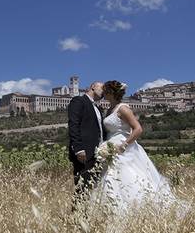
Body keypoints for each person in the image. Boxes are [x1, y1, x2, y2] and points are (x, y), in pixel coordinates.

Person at [92, 80, 186, 222]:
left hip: (123, 148)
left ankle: (135, 213)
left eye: (105, 91)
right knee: (109, 179)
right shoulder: (109, 110)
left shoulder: (123, 109)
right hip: (111, 146)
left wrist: (123, 145)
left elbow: (138, 129)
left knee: (128, 178)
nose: (103, 93)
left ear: (111, 93)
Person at [67, 81, 105, 212]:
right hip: (83, 153)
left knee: (93, 187)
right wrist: (78, 148)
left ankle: (89, 216)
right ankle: (77, 219)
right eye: (102, 88)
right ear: (93, 87)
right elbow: (73, 124)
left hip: (98, 154)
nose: (104, 91)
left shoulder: (98, 108)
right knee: (81, 188)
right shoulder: (79, 101)